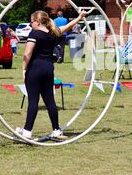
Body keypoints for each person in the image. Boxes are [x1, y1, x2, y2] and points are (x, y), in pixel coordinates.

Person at [15, 10, 86, 140]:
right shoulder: (53, 33)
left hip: (35, 70)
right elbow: (68, 26)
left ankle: (27, 131)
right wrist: (79, 18)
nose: (31, 25)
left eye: (31, 22)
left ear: (37, 21)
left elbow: (27, 53)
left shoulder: (35, 33)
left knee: (33, 101)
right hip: (48, 70)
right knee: (50, 101)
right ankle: (56, 130)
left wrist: (24, 70)